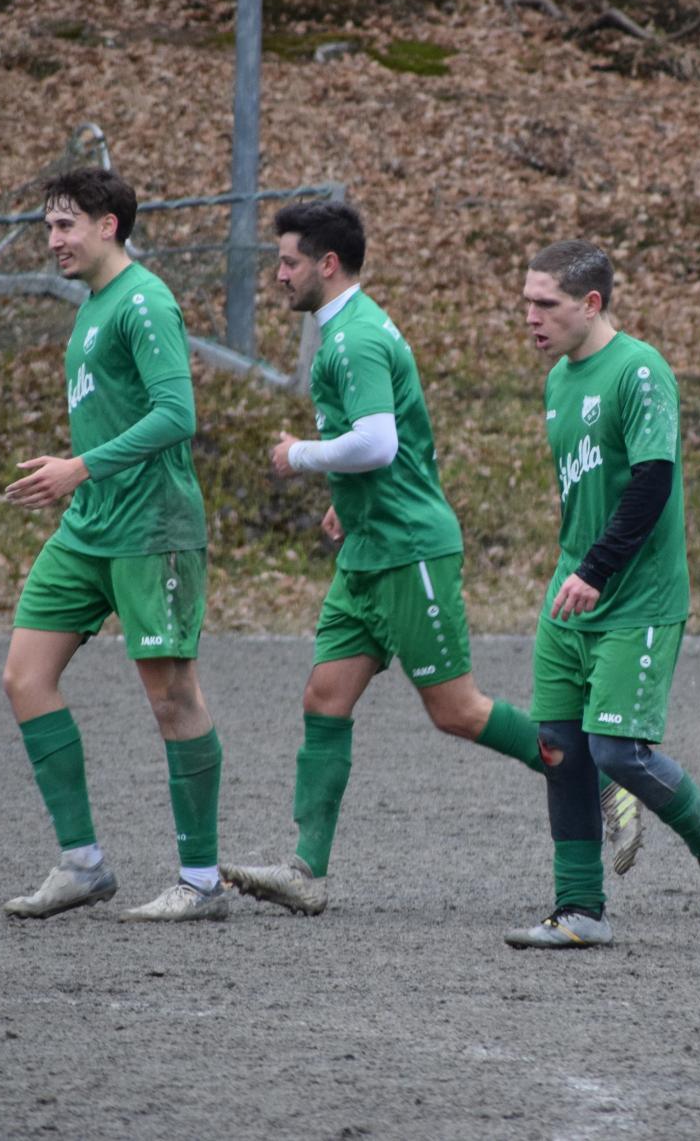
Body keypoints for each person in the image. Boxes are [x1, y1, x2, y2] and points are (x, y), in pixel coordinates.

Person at [224, 202, 640, 915]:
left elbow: (379, 442)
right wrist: (349, 497)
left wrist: (302, 456)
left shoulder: (354, 339)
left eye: (289, 262)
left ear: (328, 265)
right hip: (369, 546)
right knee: (324, 698)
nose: (279, 275)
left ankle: (600, 777)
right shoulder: (349, 330)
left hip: (408, 550)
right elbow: (402, 438)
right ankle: (305, 869)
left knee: (456, 710)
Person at [504, 240, 700, 949]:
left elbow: (652, 485)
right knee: (559, 748)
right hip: (573, 593)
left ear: (591, 304)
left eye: (545, 303)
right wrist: (574, 571)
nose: (530, 317)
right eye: (526, 302)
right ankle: (580, 908)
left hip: (634, 595)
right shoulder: (559, 380)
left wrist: (596, 571)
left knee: (616, 751)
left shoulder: (641, 371)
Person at [0, 167, 228, 922]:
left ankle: (201, 881)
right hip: (88, 529)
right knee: (25, 677)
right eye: (48, 226)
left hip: (150, 529)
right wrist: (81, 477)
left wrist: (79, 466)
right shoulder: (94, 305)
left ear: (109, 225)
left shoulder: (144, 301)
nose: (53, 240)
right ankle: (83, 864)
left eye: (65, 224)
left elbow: (177, 414)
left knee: (172, 697)